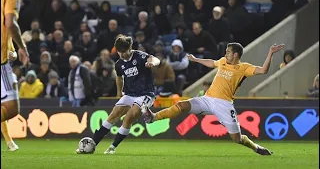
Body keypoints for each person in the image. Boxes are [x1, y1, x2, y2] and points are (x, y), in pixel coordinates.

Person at [143, 42, 285, 155]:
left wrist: (270, 53)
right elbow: (212, 62)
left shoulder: (244, 68)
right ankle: (153, 117)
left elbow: (263, 70)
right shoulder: (223, 61)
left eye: (228, 52)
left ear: (235, 54)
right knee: (182, 105)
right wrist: (196, 59)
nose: (225, 54)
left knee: (237, 139)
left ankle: (255, 147)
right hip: (207, 99)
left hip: (224, 105)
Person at [76, 35, 160, 154]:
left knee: (129, 117)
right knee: (113, 115)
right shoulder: (119, 64)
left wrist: (152, 63)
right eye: (119, 52)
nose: (122, 54)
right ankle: (92, 144)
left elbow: (156, 59)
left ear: (130, 48)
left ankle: (113, 147)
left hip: (146, 94)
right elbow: (119, 78)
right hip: (130, 94)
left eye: (124, 52)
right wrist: (119, 93)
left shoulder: (140, 56)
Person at [1, 0, 29, 151]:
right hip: (1, 62)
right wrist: (23, 48)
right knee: (11, 108)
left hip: (5, 59)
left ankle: (9, 141)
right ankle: (9, 141)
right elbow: (10, 24)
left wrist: (12, 53)